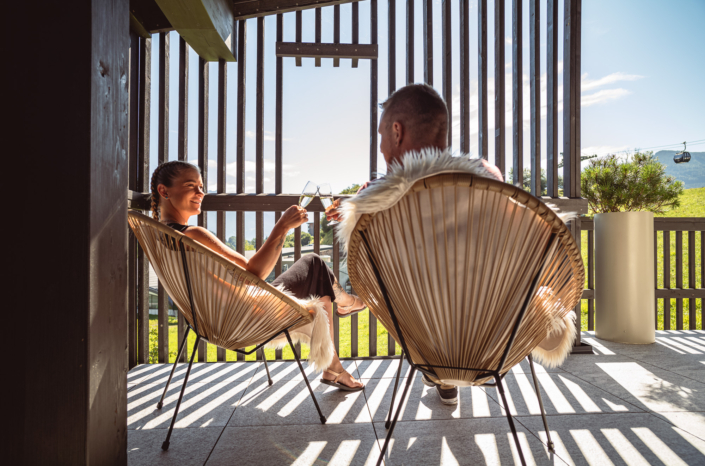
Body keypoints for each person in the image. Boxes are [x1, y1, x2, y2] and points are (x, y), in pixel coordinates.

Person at [327, 83, 504, 405]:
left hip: (420, 328)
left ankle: (355, 303)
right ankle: (447, 372)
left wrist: (355, 205)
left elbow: (372, 267)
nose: (381, 146)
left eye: (381, 135)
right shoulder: (489, 180)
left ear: (396, 131)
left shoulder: (377, 195)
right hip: (492, 332)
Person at [150, 160, 365, 391]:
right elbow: (254, 273)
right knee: (314, 264)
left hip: (209, 323)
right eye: (192, 185)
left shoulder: (157, 237)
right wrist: (282, 226)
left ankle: (337, 347)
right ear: (164, 191)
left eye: (202, 186)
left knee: (315, 269)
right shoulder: (192, 234)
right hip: (246, 320)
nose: (201, 192)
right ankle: (347, 304)